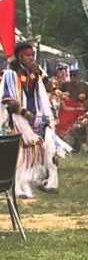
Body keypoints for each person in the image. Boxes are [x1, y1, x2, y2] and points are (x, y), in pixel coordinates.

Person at [0, 42, 68, 198]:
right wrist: (23, 112)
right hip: (17, 118)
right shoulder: (11, 74)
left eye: (32, 55)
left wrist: (40, 74)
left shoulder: (35, 74)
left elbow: (49, 88)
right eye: (27, 56)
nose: (31, 58)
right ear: (20, 57)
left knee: (46, 147)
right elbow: (7, 100)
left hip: (37, 116)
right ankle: (18, 186)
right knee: (23, 152)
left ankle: (45, 182)